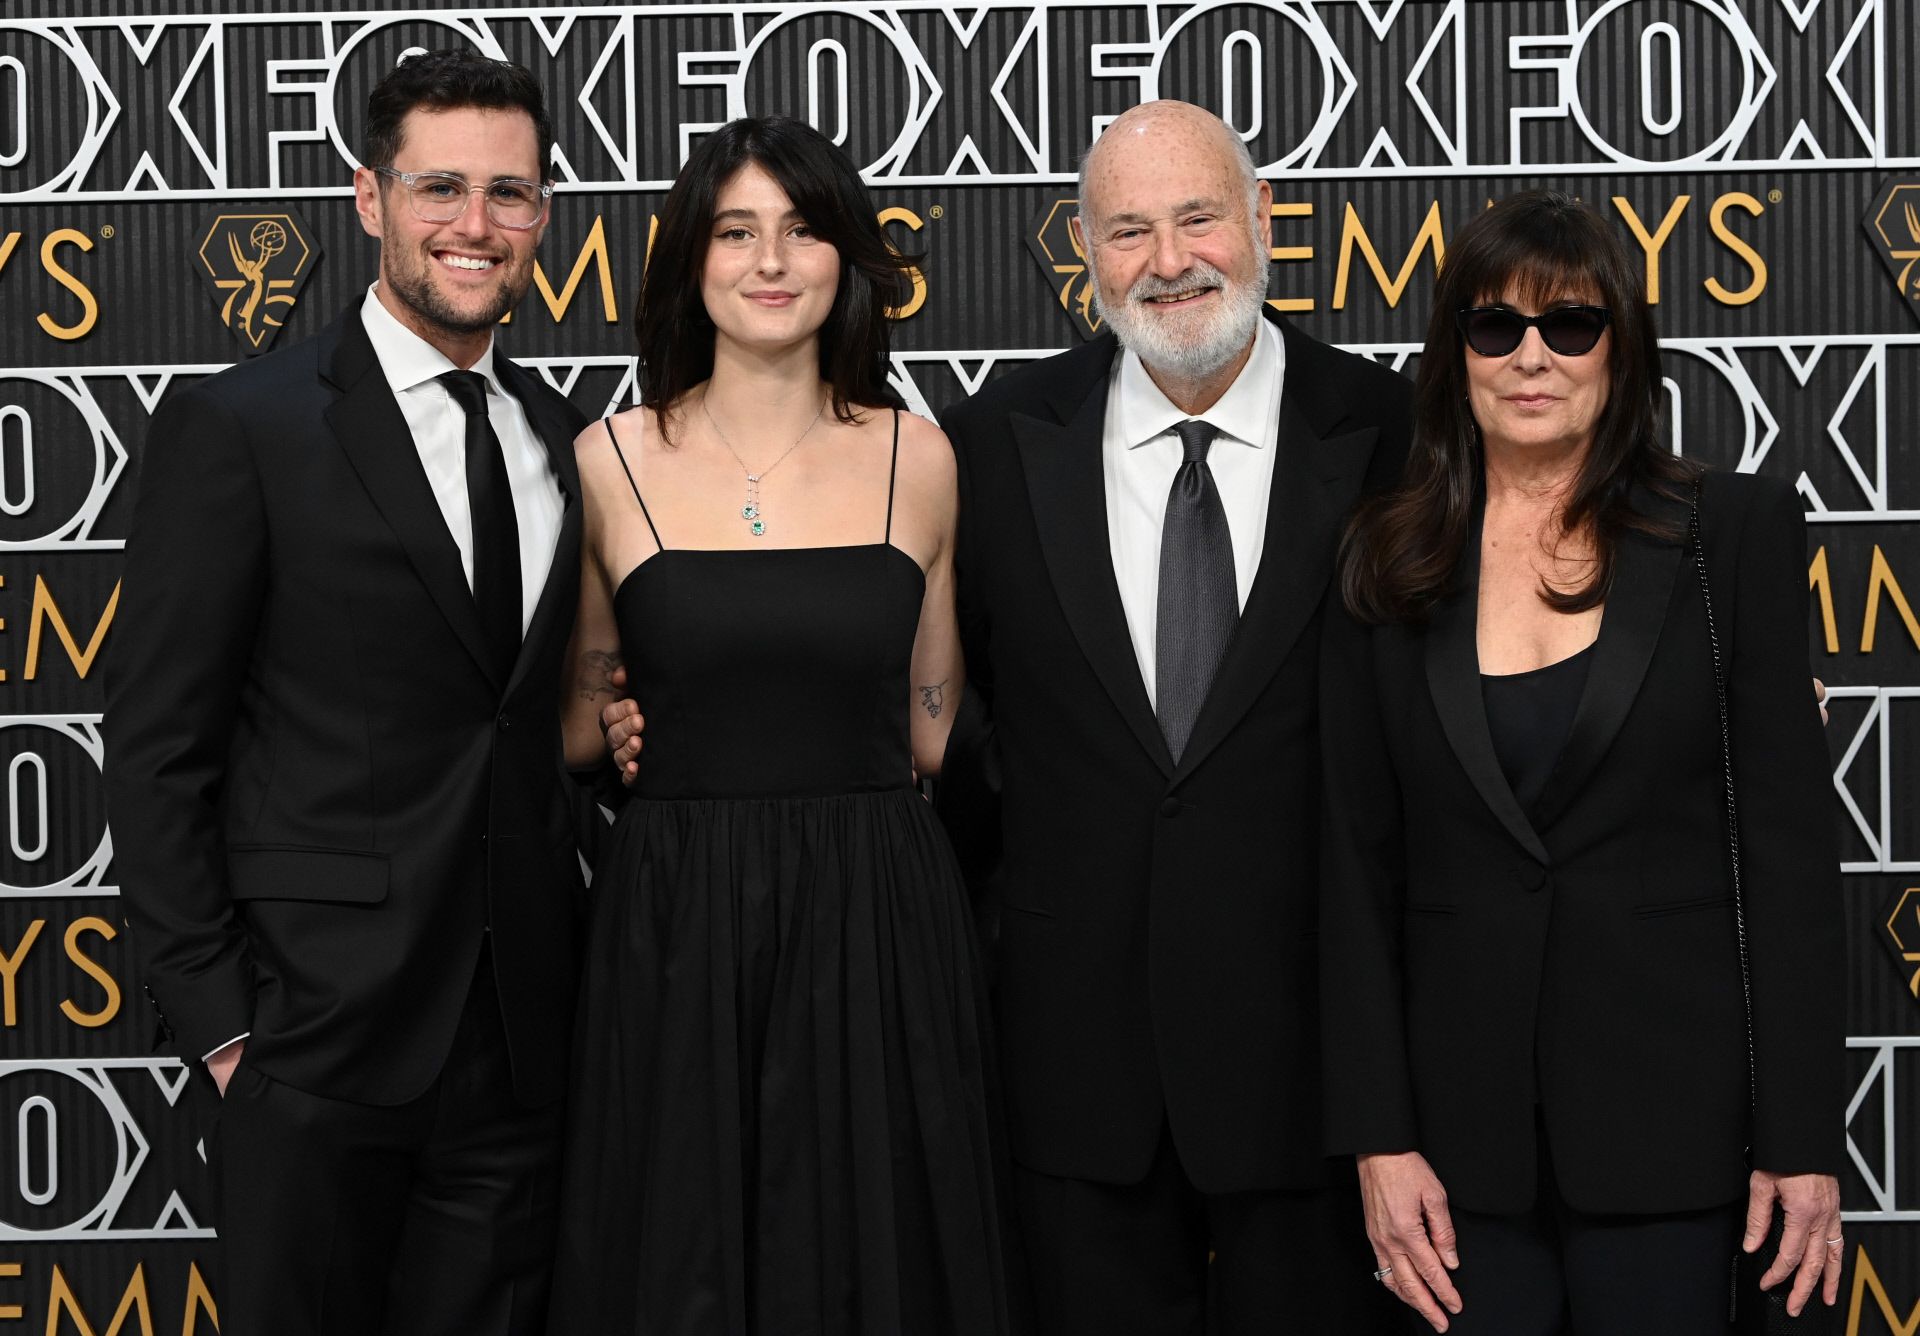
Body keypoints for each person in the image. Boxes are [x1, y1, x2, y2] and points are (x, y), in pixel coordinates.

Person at [603, 99, 1408, 1333]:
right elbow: (949, 718)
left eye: (1199, 217)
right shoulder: (994, 442)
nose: (1170, 257)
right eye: (1128, 229)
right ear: (1083, 258)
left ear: (1262, 224)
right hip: (1069, 1074)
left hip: (1318, 1082)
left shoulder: (1394, 438)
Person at [104, 50, 585, 1336]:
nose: (475, 226)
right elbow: (157, 749)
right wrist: (225, 1031)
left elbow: (524, 717)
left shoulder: (558, 434)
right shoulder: (247, 426)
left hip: (519, 1055)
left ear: (544, 216)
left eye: (511, 193)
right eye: (440, 188)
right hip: (311, 1045)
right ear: (369, 199)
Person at [1318, 190, 1845, 1334]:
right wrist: (1380, 1135)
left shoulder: (1731, 534)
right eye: (1494, 327)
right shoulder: (1387, 557)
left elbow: (1793, 863)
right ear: (1454, 353)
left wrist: (1804, 1140)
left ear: (1623, 346)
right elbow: (1355, 867)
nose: (1532, 357)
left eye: (1571, 324)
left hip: (1680, 1137)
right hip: (1456, 1164)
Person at [547, 115, 1016, 1334]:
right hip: (676, 917)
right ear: (689, 261)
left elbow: (933, 727)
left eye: (802, 230)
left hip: (879, 916)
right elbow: (578, 721)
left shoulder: (923, 455)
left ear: (845, 256)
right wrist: (624, 721)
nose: (771, 260)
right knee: (682, 1256)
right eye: (736, 230)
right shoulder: (609, 458)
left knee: (884, 1261)